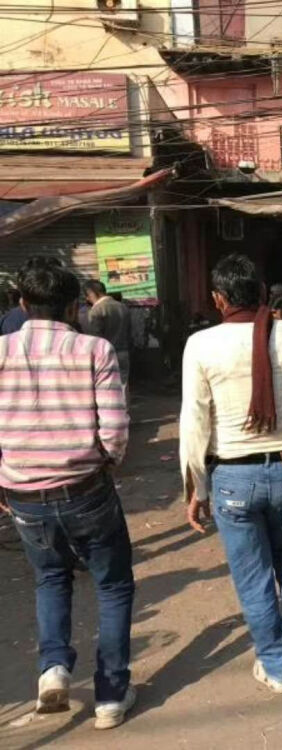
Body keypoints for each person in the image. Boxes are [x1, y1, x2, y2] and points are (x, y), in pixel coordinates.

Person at [180, 254, 282, 693]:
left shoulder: (201, 345)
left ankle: (279, 667)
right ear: (262, 293)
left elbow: (195, 422)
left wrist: (196, 486)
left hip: (233, 477)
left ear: (218, 298)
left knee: (253, 575)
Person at [0, 260, 134, 729]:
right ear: (73, 306)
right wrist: (104, 462)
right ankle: (111, 696)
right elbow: (114, 430)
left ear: (22, 304)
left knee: (50, 579)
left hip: (23, 493)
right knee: (113, 584)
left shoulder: (0, 350)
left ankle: (53, 668)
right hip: (86, 487)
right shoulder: (94, 350)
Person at [83, 280, 132, 392]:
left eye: (87, 295)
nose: (87, 299)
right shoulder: (123, 307)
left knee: (107, 386)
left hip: (105, 354)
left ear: (92, 293)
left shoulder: (96, 310)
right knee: (123, 384)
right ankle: (125, 409)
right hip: (123, 352)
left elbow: (95, 337)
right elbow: (129, 332)